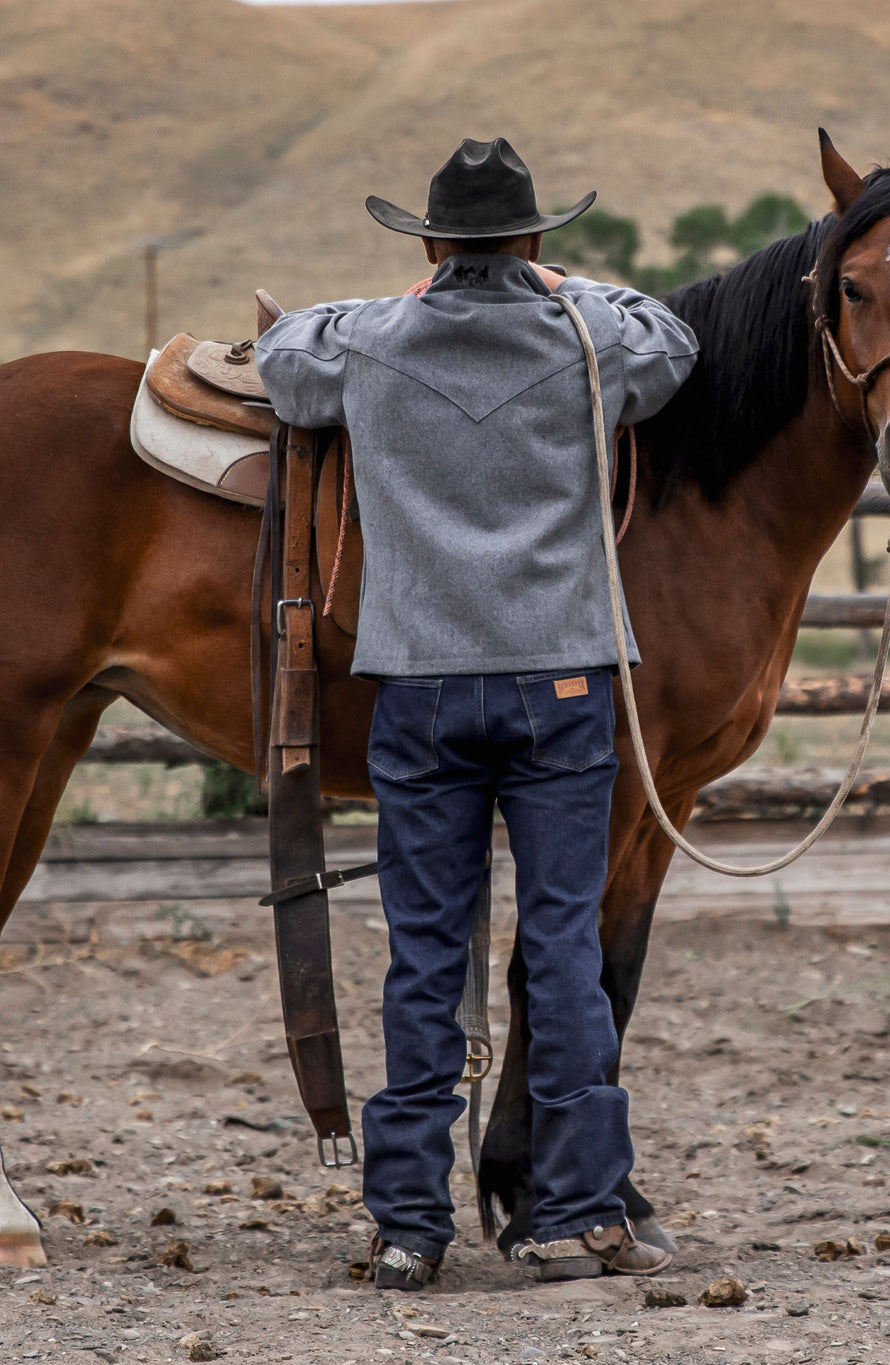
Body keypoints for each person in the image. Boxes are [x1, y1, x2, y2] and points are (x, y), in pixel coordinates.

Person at [255, 137, 698, 1290]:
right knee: (558, 947)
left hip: (422, 686)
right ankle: (572, 1211)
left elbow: (282, 357)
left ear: (430, 243)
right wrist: (568, 288)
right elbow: (676, 339)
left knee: (425, 955)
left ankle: (409, 1224)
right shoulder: (590, 338)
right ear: (538, 241)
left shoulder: (370, 340)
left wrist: (398, 296)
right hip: (562, 683)